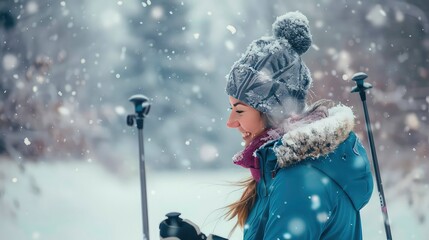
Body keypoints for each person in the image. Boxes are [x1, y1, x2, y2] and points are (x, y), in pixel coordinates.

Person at [159, 11, 373, 240]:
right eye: (230, 109)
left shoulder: (298, 180)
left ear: (273, 112)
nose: (231, 122)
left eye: (240, 110)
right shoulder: (293, 168)